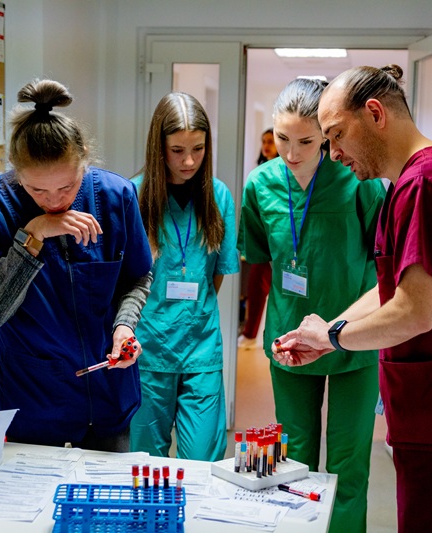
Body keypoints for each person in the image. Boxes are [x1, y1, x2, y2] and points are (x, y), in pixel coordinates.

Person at [275, 65, 432, 532]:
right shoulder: (409, 184)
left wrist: (334, 336)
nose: (332, 154)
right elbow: (392, 288)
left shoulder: (428, 185)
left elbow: (414, 312)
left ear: (374, 114)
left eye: (334, 136)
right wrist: (328, 332)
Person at [0, 79, 153, 451]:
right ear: (16, 172)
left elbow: (137, 277)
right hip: (32, 403)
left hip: (107, 396)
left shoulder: (116, 197)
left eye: (66, 188)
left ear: (84, 160)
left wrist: (124, 327)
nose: (53, 200)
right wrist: (32, 235)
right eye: (37, 191)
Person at [237, 78, 385, 532]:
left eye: (305, 140)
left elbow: (385, 264)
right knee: (293, 460)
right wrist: (251, 323)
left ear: (326, 134)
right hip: (291, 341)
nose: (291, 151)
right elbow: (258, 260)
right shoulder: (260, 185)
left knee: (348, 463)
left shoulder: (358, 180)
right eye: (282, 138)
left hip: (352, 340)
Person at [129, 92, 238, 461]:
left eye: (198, 148)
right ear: (158, 146)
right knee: (144, 464)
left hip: (200, 348)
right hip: (147, 349)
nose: (189, 161)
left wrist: (189, 311)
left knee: (202, 461)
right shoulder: (134, 196)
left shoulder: (218, 197)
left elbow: (215, 277)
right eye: (177, 150)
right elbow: (124, 281)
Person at [238, 128, 276, 349]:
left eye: (271, 141)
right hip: (261, 238)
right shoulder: (258, 174)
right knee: (255, 286)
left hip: (279, 239)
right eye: (264, 141)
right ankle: (251, 333)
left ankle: (254, 333)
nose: (267, 145)